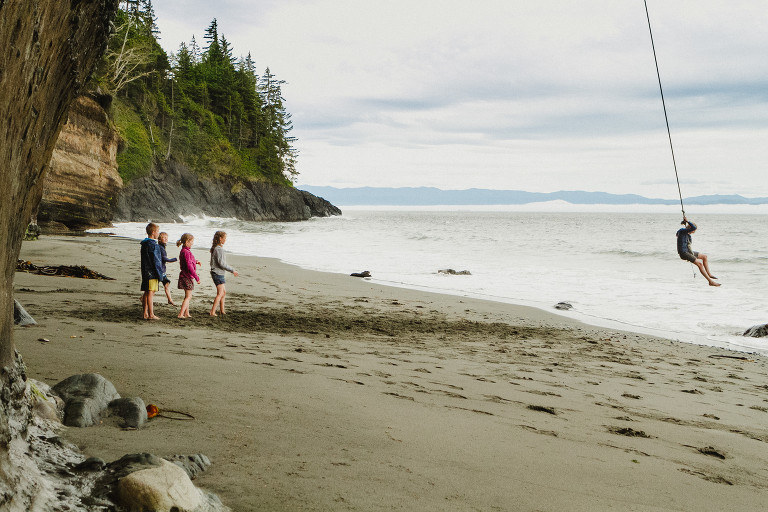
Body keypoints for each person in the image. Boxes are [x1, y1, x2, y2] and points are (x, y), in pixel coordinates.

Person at [677, 217, 720, 287]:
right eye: (694, 231)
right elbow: (692, 228)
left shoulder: (687, 234)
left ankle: (709, 274)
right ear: (690, 228)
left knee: (704, 257)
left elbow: (690, 230)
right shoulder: (682, 231)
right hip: (684, 253)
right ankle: (710, 282)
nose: (694, 232)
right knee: (700, 264)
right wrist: (687, 221)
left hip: (689, 252)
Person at [209, 231, 239, 316]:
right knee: (220, 293)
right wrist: (232, 270)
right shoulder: (219, 249)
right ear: (220, 238)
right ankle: (212, 312)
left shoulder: (215, 248)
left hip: (217, 273)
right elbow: (221, 263)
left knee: (223, 292)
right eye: (225, 238)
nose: (225, 240)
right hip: (217, 273)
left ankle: (222, 310)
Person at [140, 222, 164, 320]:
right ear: (153, 232)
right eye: (158, 231)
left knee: (147, 292)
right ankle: (151, 314)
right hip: (152, 272)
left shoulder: (144, 244)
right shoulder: (154, 245)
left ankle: (145, 313)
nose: (159, 233)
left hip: (145, 271)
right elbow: (156, 261)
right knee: (150, 293)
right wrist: (160, 274)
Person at [176, 233, 201, 318]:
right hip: (187, 276)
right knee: (189, 296)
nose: (193, 243)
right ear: (187, 241)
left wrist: (196, 261)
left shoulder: (185, 251)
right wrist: (196, 277)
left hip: (184, 275)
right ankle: (181, 314)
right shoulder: (186, 252)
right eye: (192, 241)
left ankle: (186, 313)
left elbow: (190, 261)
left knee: (187, 296)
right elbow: (189, 265)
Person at [158, 232, 177, 306]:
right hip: (160, 270)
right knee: (152, 289)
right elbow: (165, 259)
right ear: (159, 239)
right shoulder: (160, 248)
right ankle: (143, 298)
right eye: (164, 237)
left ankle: (170, 299)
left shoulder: (162, 247)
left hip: (162, 269)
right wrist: (175, 259)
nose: (166, 239)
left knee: (166, 284)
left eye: (167, 237)